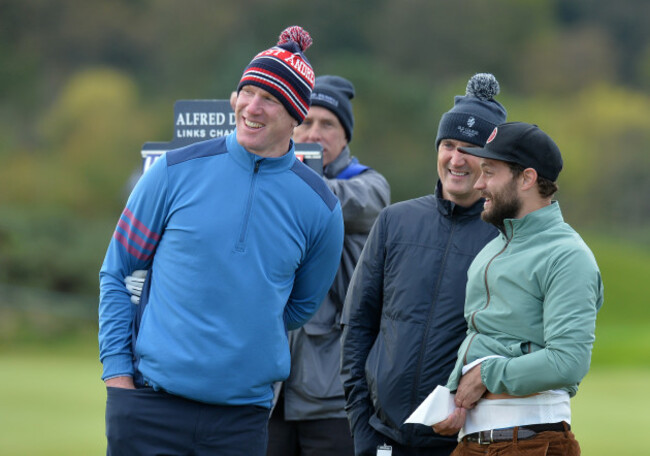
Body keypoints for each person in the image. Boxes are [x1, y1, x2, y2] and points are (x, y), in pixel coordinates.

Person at [98, 26, 344, 456]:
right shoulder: (173, 172)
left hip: (241, 422)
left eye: (269, 98)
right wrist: (118, 376)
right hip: (148, 408)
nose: (252, 106)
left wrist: (244, 327)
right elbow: (117, 271)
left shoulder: (321, 207)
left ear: (296, 115)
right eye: (246, 92)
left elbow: (299, 306)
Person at [340, 73, 507, 456]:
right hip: (383, 437)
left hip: (464, 443)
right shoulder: (394, 221)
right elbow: (358, 326)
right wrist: (361, 425)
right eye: (448, 144)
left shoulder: (506, 240)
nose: (456, 158)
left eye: (472, 148)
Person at [433, 121, 603, 455]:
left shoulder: (568, 255)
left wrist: (486, 375)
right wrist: (456, 398)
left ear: (526, 178)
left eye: (489, 172)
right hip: (472, 441)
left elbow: (568, 361)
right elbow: (477, 338)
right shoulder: (490, 250)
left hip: (532, 443)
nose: (479, 184)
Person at [267, 75, 390, 456]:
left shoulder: (367, 186)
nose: (314, 132)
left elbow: (325, 199)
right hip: (269, 390)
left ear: (346, 136)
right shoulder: (272, 180)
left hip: (335, 396)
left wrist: (269, 169)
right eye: (305, 121)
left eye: (328, 124)